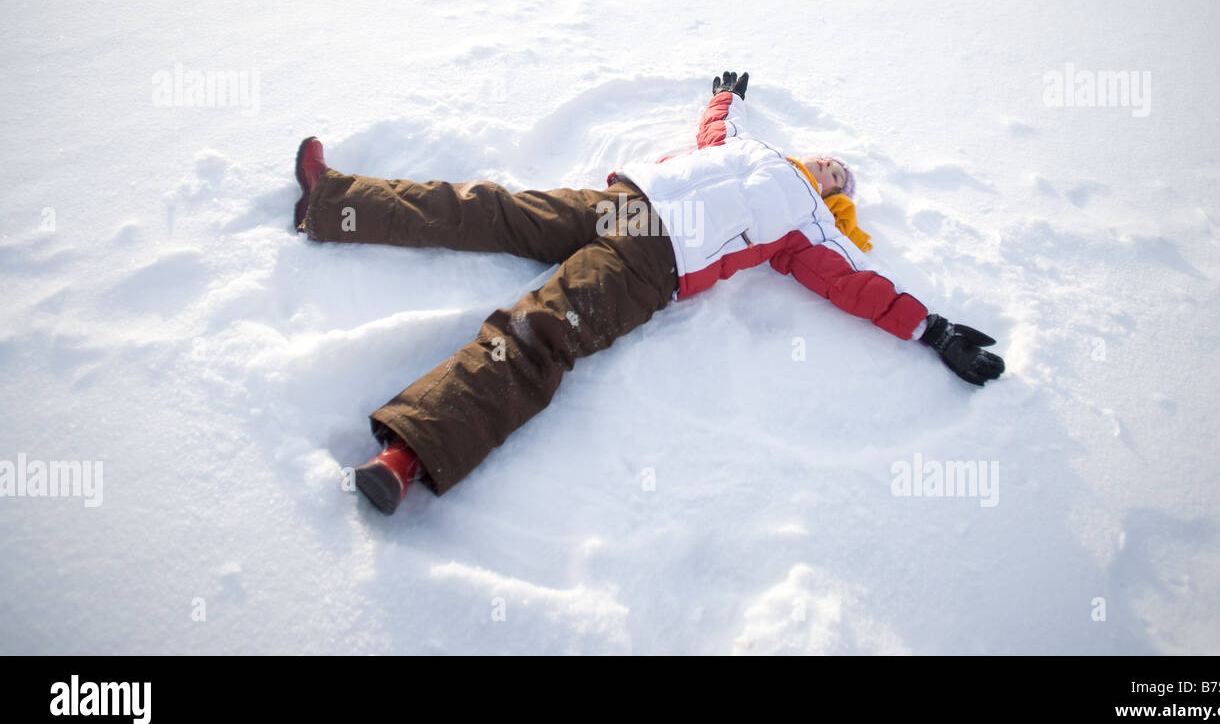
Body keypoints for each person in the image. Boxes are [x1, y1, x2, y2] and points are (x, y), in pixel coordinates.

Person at [292, 71, 1005, 515]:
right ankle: (332, 201)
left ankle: (409, 454)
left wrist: (932, 329)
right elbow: (719, 129)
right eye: (829, 159)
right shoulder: (752, 150)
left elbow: (859, 287)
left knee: (537, 334)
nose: (830, 168)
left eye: (840, 176)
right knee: (488, 207)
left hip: (656, 263)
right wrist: (726, 97)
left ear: (837, 198)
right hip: (624, 206)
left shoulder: (808, 227)